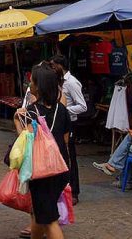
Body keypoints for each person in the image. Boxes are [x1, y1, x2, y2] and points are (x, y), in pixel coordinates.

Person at [14, 63, 71, 239]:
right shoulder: (62, 110)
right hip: (60, 168)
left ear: (39, 86)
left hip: (42, 172)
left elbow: (25, 144)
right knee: (38, 213)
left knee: (49, 220)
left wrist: (17, 121)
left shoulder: (30, 112)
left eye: (32, 81)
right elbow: (65, 140)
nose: (29, 84)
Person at [49, 54, 86, 204]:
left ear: (60, 66)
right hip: (59, 123)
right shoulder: (57, 82)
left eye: (53, 65)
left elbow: (82, 106)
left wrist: (64, 111)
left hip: (69, 123)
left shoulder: (71, 82)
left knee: (70, 156)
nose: (52, 68)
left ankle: (74, 191)